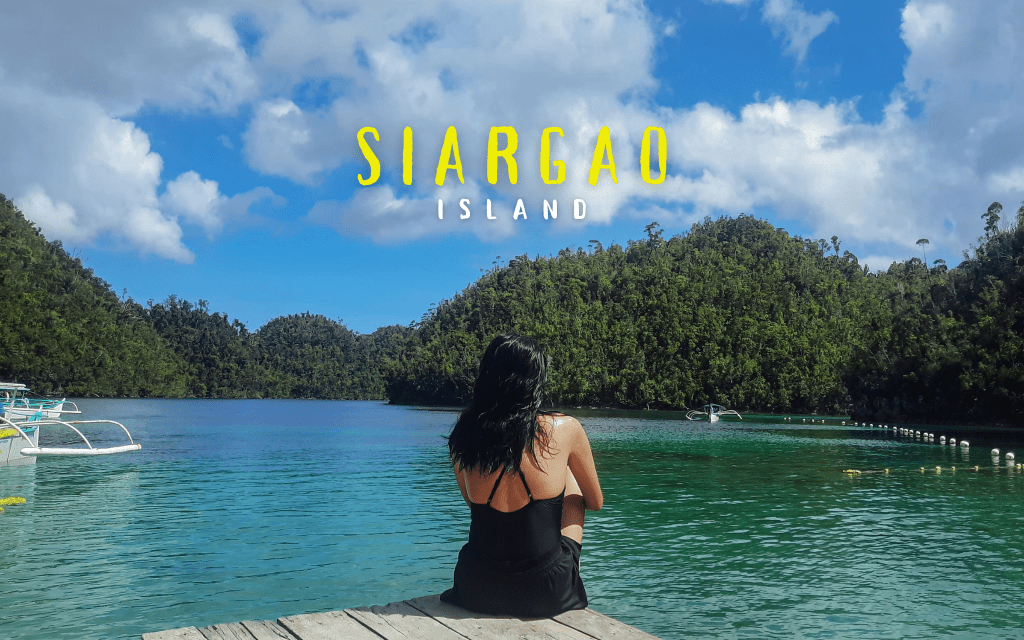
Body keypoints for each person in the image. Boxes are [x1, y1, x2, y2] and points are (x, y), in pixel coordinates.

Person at [440, 334, 603, 617]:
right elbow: (595, 501)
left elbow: (472, 503)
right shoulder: (565, 429)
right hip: (546, 591)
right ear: (535, 381)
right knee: (569, 480)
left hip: (477, 586)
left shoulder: (463, 435)